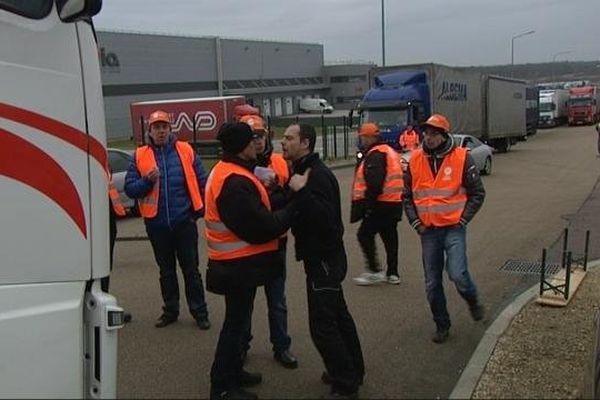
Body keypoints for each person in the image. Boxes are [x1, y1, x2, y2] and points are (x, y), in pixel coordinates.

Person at [205, 122, 307, 400]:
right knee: (234, 327)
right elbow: (262, 226)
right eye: (251, 141)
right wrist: (296, 203)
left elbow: (262, 208)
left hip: (237, 266)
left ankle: (234, 372)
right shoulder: (234, 181)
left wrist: (284, 194)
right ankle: (223, 387)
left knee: (237, 325)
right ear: (241, 147)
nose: (256, 144)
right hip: (235, 267)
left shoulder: (234, 173)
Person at [282, 123, 365, 399]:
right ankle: (352, 370)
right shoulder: (303, 170)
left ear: (305, 143)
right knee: (339, 317)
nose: (282, 142)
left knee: (323, 326)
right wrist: (283, 187)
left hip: (324, 260)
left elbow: (326, 221)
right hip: (323, 258)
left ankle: (344, 384)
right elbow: (296, 204)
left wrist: (301, 193)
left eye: (289, 138)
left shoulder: (315, 176)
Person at [403, 113, 486, 344]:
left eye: (433, 134)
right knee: (432, 283)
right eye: (426, 133)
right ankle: (442, 324)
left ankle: (472, 300)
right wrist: (415, 222)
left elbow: (477, 194)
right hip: (428, 231)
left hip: (453, 228)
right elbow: (407, 196)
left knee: (457, 274)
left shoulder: (462, 158)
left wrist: (463, 219)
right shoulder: (415, 160)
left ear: (443, 135)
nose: (428, 138)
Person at [124, 110, 210, 329]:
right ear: (149, 131)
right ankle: (171, 310)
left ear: (170, 129)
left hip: (184, 223)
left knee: (191, 270)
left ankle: (200, 312)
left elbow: (203, 182)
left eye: (164, 127)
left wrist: (197, 213)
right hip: (157, 224)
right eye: (156, 127)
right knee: (166, 271)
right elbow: (130, 189)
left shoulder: (186, 150)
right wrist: (147, 180)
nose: (161, 131)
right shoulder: (139, 155)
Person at [238, 114, 298, 369]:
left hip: (276, 241)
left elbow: (292, 197)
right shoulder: (239, 166)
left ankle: (281, 346)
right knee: (245, 301)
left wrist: (277, 191)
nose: (258, 141)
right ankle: (242, 346)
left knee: (277, 299)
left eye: (260, 136)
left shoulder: (280, 163)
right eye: (252, 137)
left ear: (266, 136)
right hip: (249, 244)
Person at [351, 123, 404, 286]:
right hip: (394, 202)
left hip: (380, 204)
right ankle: (393, 273)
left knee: (364, 235)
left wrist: (368, 206)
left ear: (370, 137)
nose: (362, 141)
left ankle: (374, 270)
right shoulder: (389, 151)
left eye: (363, 138)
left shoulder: (375, 154)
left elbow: (374, 183)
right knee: (390, 238)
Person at [103, 174, 133, 323]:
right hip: (96, 215)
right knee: (99, 266)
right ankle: (100, 308)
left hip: (107, 215)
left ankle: (103, 305)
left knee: (104, 266)